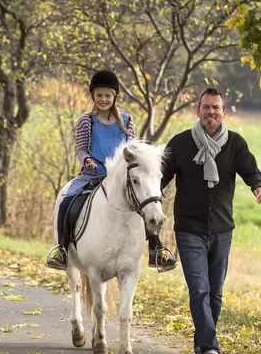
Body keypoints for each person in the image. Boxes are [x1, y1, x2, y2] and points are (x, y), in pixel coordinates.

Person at [152, 87, 261, 354]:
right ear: (198, 111)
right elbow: (159, 178)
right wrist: (147, 204)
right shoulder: (180, 144)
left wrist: (259, 186)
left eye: (216, 108)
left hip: (222, 229)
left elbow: (251, 171)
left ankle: (201, 344)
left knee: (215, 294)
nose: (211, 112)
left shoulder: (235, 144)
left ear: (224, 113)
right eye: (206, 107)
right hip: (189, 228)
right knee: (199, 290)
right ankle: (211, 349)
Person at [46, 69, 175, 271]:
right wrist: (87, 159)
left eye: (107, 95)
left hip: (119, 179)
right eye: (99, 95)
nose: (103, 99)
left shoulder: (126, 121)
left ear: (114, 96)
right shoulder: (86, 121)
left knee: (147, 204)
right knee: (67, 201)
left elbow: (131, 149)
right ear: (93, 96)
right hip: (91, 175)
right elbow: (80, 149)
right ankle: (61, 249)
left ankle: (155, 250)